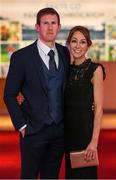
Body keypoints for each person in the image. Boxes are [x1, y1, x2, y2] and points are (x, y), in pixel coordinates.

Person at [4, 7, 70, 179]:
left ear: (59, 26)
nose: (50, 27)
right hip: (33, 131)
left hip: (59, 132)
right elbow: (9, 94)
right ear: (37, 27)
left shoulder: (64, 53)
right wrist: (22, 125)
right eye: (45, 23)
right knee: (29, 176)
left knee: (51, 177)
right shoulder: (21, 57)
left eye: (53, 23)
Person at [64, 26, 106, 179]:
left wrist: (94, 142)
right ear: (68, 43)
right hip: (67, 136)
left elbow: (99, 109)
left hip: (85, 135)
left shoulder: (95, 70)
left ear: (88, 45)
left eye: (82, 42)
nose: (77, 46)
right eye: (74, 41)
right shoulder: (65, 70)